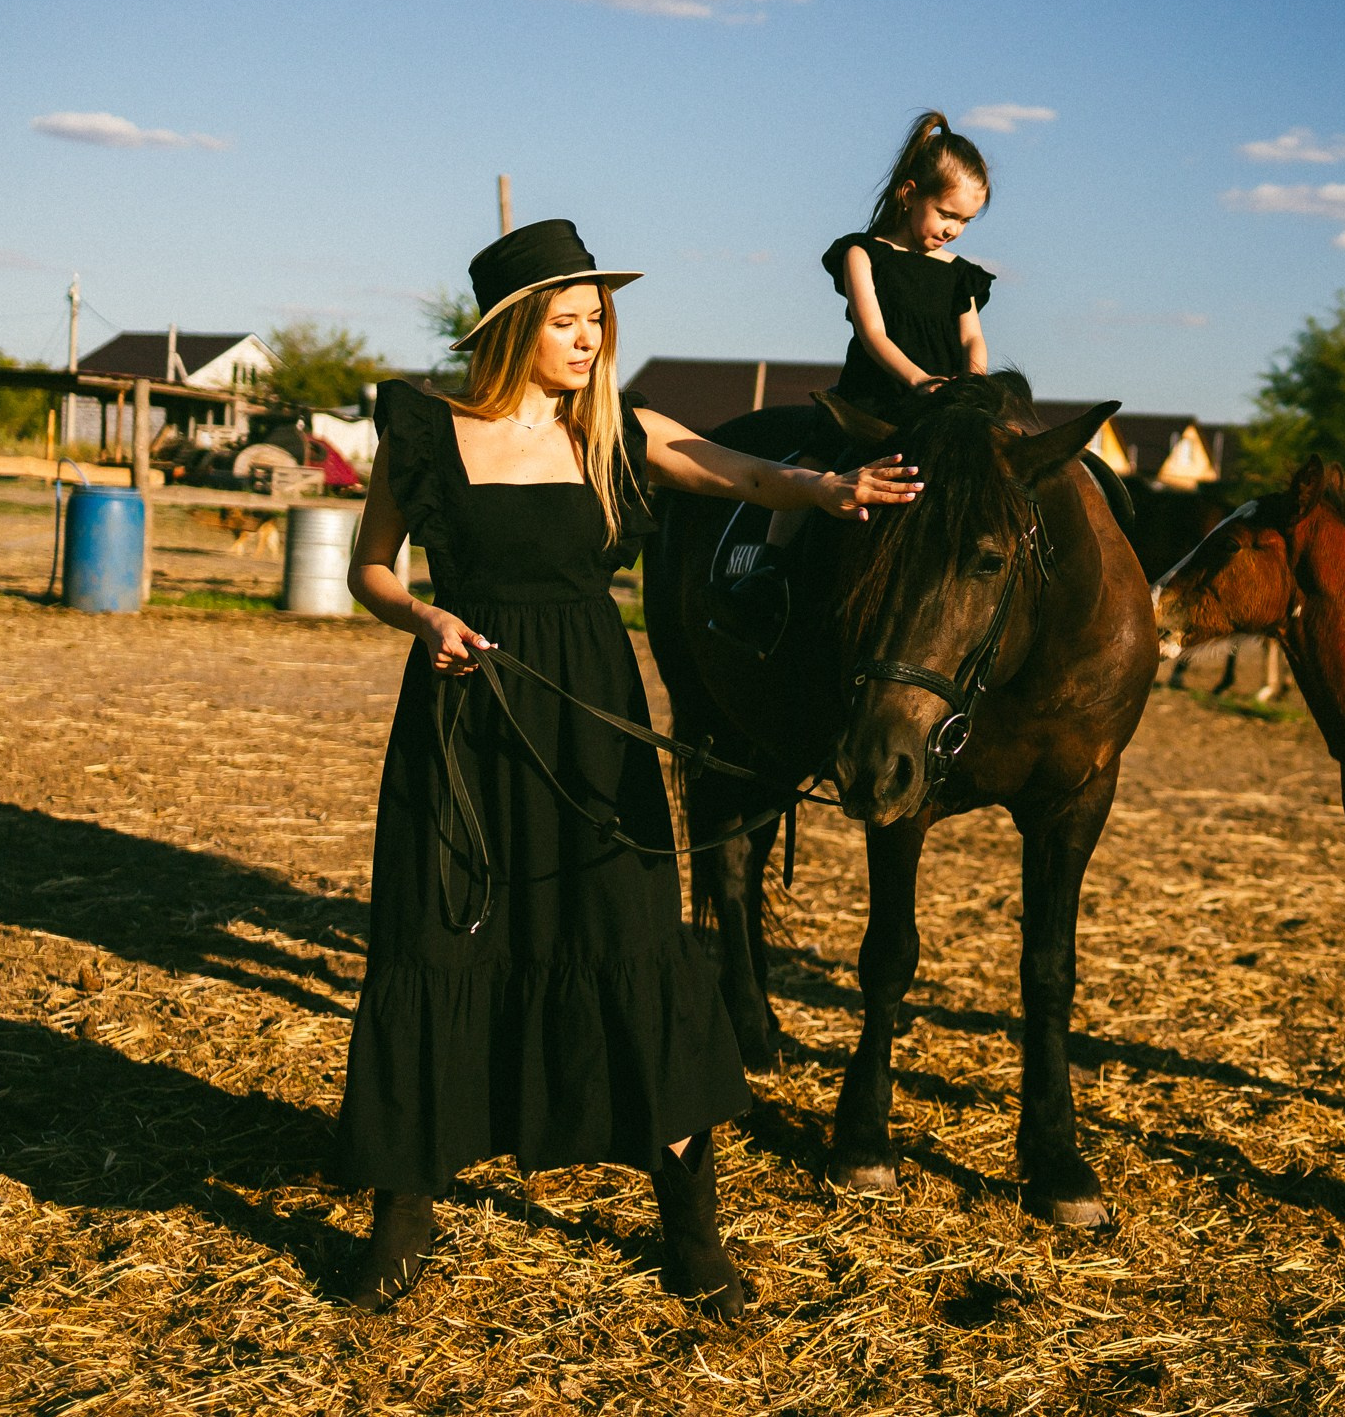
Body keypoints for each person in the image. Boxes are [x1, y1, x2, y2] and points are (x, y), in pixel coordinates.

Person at [334, 218, 920, 1317]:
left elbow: (737, 469)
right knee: (438, 937)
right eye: (567, 321)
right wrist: (422, 617)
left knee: (628, 941)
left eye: (597, 318)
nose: (590, 337)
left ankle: (689, 1226)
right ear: (513, 330)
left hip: (592, 719)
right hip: (464, 722)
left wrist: (833, 493)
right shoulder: (426, 433)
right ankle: (405, 1211)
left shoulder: (610, 432)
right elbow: (371, 566)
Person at [708, 110, 994, 649]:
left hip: (944, 403)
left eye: (965, 221)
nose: (953, 229)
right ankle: (769, 573)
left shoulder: (961, 273)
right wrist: (917, 381)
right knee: (816, 463)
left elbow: (973, 339)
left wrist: (970, 385)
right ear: (910, 193)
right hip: (873, 398)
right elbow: (873, 333)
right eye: (946, 213)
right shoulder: (862, 254)